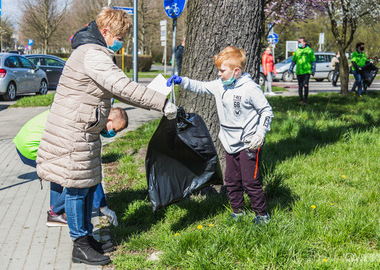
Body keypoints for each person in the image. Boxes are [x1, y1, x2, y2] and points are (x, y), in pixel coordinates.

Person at [36, 7, 177, 266]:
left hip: (82, 130)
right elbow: (121, 86)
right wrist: (161, 102)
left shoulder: (91, 52)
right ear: (105, 32)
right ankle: (80, 246)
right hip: (73, 133)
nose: (121, 42)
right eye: (120, 35)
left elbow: (114, 89)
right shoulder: (93, 54)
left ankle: (87, 239)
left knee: (87, 185)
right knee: (77, 189)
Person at [167, 46, 273, 224]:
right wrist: (181, 80)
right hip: (229, 142)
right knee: (231, 180)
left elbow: (266, 111)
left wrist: (260, 133)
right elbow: (200, 86)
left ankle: (262, 215)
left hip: (249, 143)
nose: (219, 74)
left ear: (236, 71)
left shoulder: (250, 89)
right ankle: (238, 212)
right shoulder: (219, 86)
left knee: (250, 182)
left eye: (222, 70)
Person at [13, 108, 128, 228]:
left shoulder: (89, 111)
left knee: (59, 172)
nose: (113, 134)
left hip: (24, 141)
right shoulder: (89, 125)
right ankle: (55, 213)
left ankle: (56, 213)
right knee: (79, 177)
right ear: (108, 120)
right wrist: (104, 207)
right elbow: (89, 170)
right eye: (114, 129)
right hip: (32, 146)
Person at [288, 37, 316, 106]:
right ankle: (301, 100)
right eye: (298, 42)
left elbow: (313, 61)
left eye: (300, 42)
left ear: (304, 42)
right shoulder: (297, 51)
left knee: (305, 85)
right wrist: (290, 70)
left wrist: (313, 70)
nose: (299, 43)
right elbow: (293, 62)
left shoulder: (309, 51)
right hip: (299, 71)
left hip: (306, 71)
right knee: (300, 86)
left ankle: (305, 100)